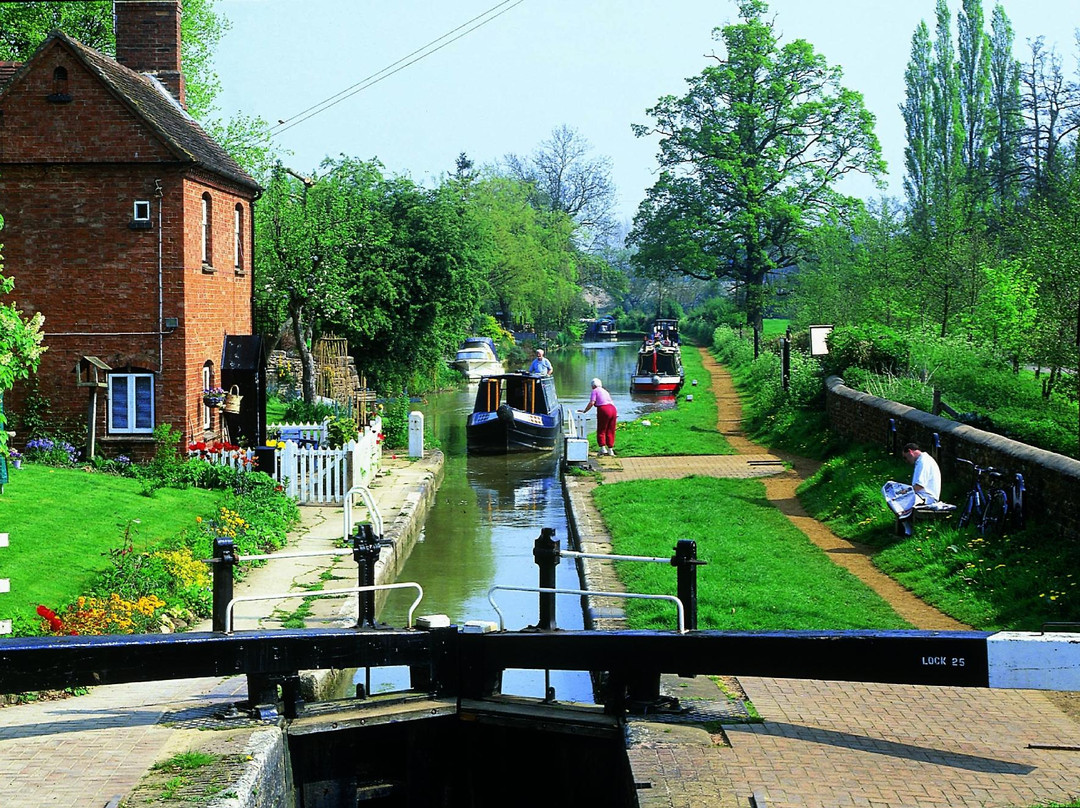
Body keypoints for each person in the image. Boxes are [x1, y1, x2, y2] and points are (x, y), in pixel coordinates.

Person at [884, 442, 942, 535]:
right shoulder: (922, 460)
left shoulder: (923, 462)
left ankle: (907, 528)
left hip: (927, 497)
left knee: (893, 499)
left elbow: (919, 486)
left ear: (910, 452)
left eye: (905, 457)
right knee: (891, 490)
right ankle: (905, 523)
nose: (906, 461)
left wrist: (904, 492)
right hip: (922, 495)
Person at [579, 377, 618, 456]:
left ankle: (603, 448)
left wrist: (584, 411)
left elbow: (592, 403)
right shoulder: (605, 391)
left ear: (593, 386)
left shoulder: (595, 391)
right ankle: (610, 449)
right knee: (611, 429)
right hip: (613, 409)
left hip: (604, 409)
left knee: (601, 429)